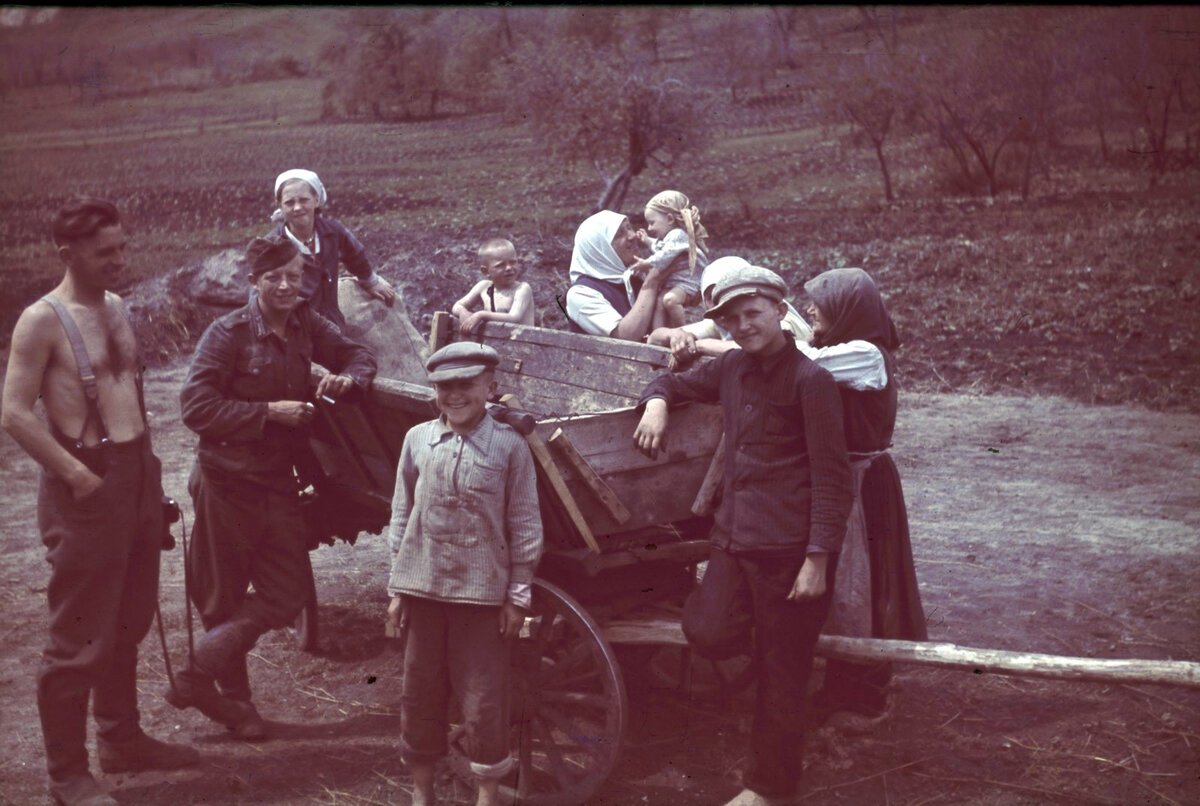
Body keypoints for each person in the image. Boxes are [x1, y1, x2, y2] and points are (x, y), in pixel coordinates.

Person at [0, 197, 199, 806]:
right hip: (85, 485)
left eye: (122, 247)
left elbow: (126, 396)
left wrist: (146, 480)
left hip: (135, 479)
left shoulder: (117, 307)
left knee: (129, 618)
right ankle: (67, 777)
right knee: (79, 636)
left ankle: (120, 739)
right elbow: (13, 412)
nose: (119, 260)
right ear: (68, 254)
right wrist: (75, 475)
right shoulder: (42, 320)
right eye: (104, 251)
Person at [633, 265, 854, 806]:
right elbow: (670, 381)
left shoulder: (812, 382)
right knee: (708, 632)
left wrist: (818, 559)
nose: (743, 325)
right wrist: (658, 403)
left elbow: (832, 479)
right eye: (731, 319)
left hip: (788, 551)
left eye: (752, 313)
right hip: (733, 540)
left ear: (781, 313)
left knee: (784, 673)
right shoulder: (731, 368)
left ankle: (769, 788)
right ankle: (765, 637)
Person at [172, 234, 376, 740]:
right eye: (273, 278)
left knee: (286, 593)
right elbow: (195, 409)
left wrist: (349, 379)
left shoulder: (307, 320)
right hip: (226, 482)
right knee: (221, 598)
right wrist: (268, 414)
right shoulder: (228, 334)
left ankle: (198, 670)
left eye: (294, 276)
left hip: (275, 482)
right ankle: (239, 708)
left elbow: (357, 354)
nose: (286, 286)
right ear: (253, 282)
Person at [384, 342, 543, 806]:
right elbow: (401, 514)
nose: (455, 395)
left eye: (466, 385)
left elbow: (525, 524)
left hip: (481, 598)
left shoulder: (510, 447)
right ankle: (422, 791)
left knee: (484, 701)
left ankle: (487, 794)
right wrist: (397, 587)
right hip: (423, 591)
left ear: (489, 388)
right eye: (444, 386)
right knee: (419, 695)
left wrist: (517, 596)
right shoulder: (417, 440)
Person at [800, 267, 927, 726]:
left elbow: (791, 360)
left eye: (821, 303)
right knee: (843, 586)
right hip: (844, 479)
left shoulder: (866, 356)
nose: (811, 309)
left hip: (863, 483)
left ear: (847, 311)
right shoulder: (840, 347)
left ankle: (867, 694)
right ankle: (842, 686)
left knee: (864, 586)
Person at [269, 168, 396, 329]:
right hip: (295, 327)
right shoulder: (273, 244)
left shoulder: (333, 232)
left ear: (316, 200)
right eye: (289, 202)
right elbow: (262, 291)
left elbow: (355, 255)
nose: (297, 207)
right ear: (279, 204)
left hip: (332, 323)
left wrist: (369, 281)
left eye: (304, 200)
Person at [649, 256, 812, 369]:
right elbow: (653, 338)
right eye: (712, 297)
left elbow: (758, 349)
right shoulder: (723, 321)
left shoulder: (777, 321)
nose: (721, 304)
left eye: (728, 295)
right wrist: (675, 335)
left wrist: (698, 346)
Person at [563, 209, 673, 341]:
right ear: (601, 249)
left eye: (629, 228)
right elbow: (626, 337)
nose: (632, 236)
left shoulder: (636, 277)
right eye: (620, 234)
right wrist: (652, 281)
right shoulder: (581, 294)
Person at [632, 190, 710, 330]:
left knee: (669, 300)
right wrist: (648, 241)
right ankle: (658, 335)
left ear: (670, 219)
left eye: (652, 223)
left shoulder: (677, 234)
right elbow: (662, 248)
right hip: (677, 282)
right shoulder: (671, 237)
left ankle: (682, 331)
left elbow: (665, 254)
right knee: (659, 301)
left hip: (688, 282)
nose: (649, 228)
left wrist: (647, 263)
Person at [451, 237, 535, 335]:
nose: (508, 268)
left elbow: (514, 317)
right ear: (485, 271)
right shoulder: (483, 287)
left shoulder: (522, 289)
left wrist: (480, 315)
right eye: (500, 265)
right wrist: (462, 312)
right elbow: (457, 306)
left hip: (523, 345)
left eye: (513, 262)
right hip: (494, 342)